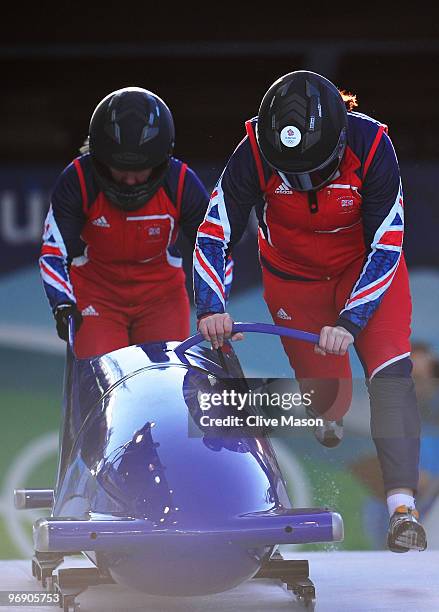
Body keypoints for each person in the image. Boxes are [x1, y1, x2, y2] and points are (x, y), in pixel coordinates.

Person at [193, 70, 426, 552]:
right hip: (294, 282)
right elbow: (214, 232)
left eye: (314, 171)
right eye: (290, 175)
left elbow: (387, 243)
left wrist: (350, 321)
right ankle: (329, 414)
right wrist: (211, 306)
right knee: (326, 394)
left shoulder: (374, 144)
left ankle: (402, 508)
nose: (302, 183)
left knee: (391, 376)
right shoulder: (253, 150)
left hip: (365, 273)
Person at [39, 86, 232, 358]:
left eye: (140, 171)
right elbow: (53, 251)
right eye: (120, 170)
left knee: (166, 388)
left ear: (160, 161)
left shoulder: (181, 182)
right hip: (96, 298)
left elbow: (216, 248)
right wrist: (62, 304)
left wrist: (214, 308)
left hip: (162, 299)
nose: (130, 180)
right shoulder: (78, 180)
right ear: (101, 160)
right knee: (97, 384)